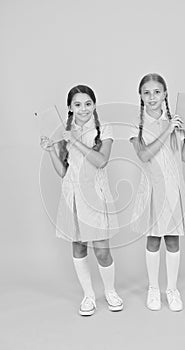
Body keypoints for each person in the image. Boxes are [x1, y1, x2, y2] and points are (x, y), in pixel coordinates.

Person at [40, 85, 123, 316]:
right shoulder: (62, 132)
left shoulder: (103, 129)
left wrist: (74, 141)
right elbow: (63, 172)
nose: (83, 109)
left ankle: (110, 291)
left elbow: (101, 161)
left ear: (94, 105)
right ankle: (88, 296)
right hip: (73, 196)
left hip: (96, 196)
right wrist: (51, 151)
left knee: (102, 251)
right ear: (70, 108)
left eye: (88, 103)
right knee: (78, 247)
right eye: (77, 104)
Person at [129, 73, 185, 311]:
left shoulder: (176, 121)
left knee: (172, 239)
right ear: (140, 96)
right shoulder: (137, 125)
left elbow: (183, 156)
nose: (152, 97)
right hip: (151, 188)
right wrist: (166, 130)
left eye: (157, 92)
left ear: (165, 94)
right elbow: (143, 155)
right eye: (147, 93)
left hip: (172, 187)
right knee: (153, 239)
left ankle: (171, 289)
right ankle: (153, 288)